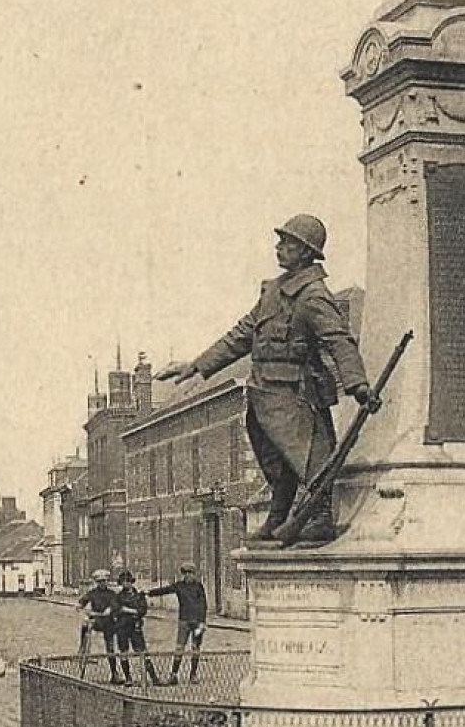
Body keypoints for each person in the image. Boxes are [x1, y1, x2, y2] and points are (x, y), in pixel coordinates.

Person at [156, 214, 377, 542]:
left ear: (305, 252)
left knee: (309, 457)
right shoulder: (273, 291)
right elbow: (242, 334)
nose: (279, 247)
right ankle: (278, 515)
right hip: (263, 393)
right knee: (273, 460)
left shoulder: (313, 295)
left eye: (287, 242)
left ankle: (320, 516)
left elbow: (338, 340)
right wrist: (197, 366)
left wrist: (358, 386)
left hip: (295, 396)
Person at [147, 562, 209, 684]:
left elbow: (203, 605)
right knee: (179, 648)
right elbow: (165, 590)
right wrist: (149, 593)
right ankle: (174, 674)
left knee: (196, 648)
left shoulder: (199, 587)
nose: (188, 576)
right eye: (185, 573)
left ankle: (193, 675)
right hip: (184, 621)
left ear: (194, 574)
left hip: (197, 622)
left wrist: (202, 622)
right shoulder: (179, 586)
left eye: (190, 573)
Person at [112, 571, 165, 686]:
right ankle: (128, 678)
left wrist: (128, 610)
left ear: (132, 582)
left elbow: (143, 610)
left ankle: (154, 678)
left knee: (142, 651)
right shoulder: (118, 596)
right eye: (123, 582)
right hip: (122, 627)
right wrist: (131, 611)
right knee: (123, 652)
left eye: (128, 581)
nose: (126, 584)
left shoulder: (139, 595)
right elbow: (117, 609)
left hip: (135, 627)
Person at [76, 569, 122, 683]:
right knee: (85, 624)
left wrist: (110, 609)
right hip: (97, 620)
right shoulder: (93, 593)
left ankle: (114, 673)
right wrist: (80, 606)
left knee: (110, 647)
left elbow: (115, 604)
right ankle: (83, 649)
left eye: (104, 581)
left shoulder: (111, 594)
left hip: (108, 622)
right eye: (100, 581)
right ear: (97, 582)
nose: (103, 583)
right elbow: (83, 600)